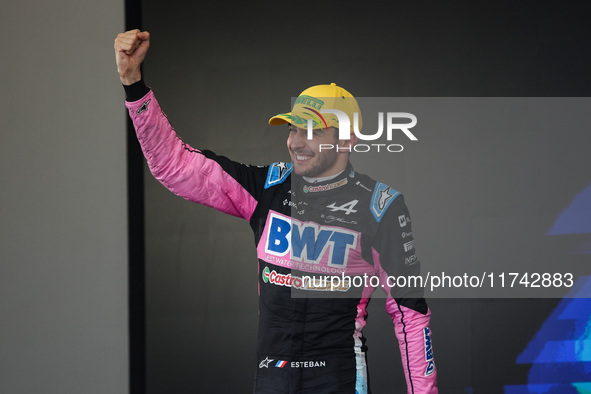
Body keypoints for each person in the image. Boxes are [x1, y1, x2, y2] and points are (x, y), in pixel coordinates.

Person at [115, 29, 438, 394]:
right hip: (272, 381)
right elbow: (173, 166)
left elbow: (410, 315)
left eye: (313, 130)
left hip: (339, 381)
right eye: (294, 128)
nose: (296, 141)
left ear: (347, 139)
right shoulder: (266, 188)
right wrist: (133, 84)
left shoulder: (380, 207)